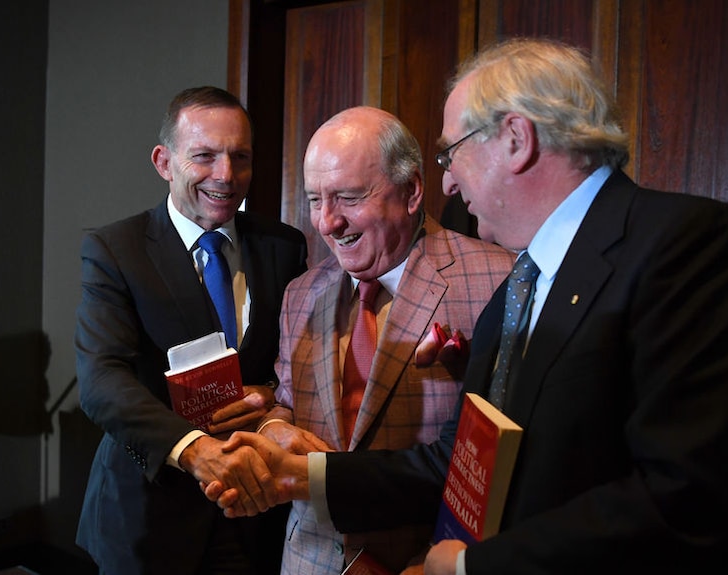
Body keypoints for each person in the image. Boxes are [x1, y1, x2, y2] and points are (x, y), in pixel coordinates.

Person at [208, 38, 728, 574]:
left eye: (452, 153)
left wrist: (469, 569)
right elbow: (458, 463)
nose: (451, 185)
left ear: (516, 139)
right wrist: (298, 474)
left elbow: (689, 493)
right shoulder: (523, 282)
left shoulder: (690, 245)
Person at [220, 106, 514, 574]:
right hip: (310, 560)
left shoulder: (498, 280)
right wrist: (273, 429)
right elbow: (286, 404)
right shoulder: (301, 293)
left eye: (349, 197)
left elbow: (505, 464)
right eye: (316, 200)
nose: (327, 222)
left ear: (412, 191)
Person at [75, 86, 308, 575]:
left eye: (240, 157)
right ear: (164, 161)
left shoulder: (283, 247)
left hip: (256, 514)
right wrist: (194, 451)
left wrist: (268, 393)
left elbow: (297, 361)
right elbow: (101, 381)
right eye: (204, 156)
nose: (226, 175)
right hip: (148, 517)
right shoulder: (116, 249)